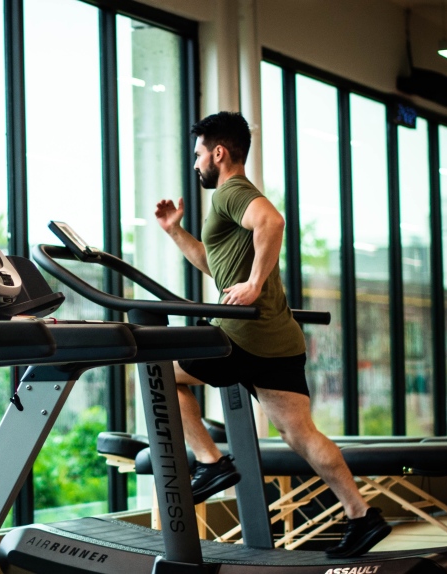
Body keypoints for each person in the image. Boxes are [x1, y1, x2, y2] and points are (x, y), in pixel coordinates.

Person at [154, 111, 390, 559]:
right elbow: (215, 264)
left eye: (199, 154)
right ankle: (361, 515)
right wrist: (175, 232)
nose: (196, 163)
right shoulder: (232, 201)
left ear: (218, 153)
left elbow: (273, 223)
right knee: (301, 434)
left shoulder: (232, 193)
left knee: (160, 372)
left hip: (241, 335)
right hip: (278, 339)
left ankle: (211, 463)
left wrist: (255, 285)